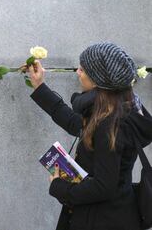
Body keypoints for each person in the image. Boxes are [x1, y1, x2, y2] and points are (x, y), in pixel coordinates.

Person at [24, 42, 152, 230]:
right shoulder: (120, 109)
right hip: (114, 214)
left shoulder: (110, 123)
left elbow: (104, 187)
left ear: (98, 80)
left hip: (101, 221)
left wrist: (60, 187)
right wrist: (40, 87)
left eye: (83, 69)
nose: (78, 72)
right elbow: (76, 124)